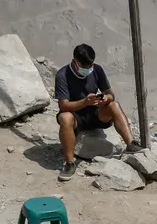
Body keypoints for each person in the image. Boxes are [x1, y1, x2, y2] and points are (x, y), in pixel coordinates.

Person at [55, 43, 144, 182]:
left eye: (90, 66)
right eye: (85, 67)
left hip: (95, 113)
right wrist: (85, 102)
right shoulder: (62, 75)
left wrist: (105, 99)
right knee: (65, 118)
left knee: (114, 105)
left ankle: (131, 144)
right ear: (74, 62)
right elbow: (64, 105)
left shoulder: (97, 70)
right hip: (76, 117)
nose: (88, 69)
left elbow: (110, 94)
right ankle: (70, 162)